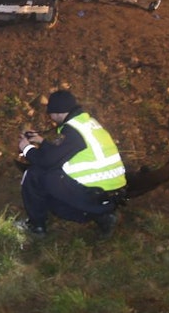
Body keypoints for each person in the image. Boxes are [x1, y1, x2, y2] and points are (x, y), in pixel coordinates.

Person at [16, 90, 126, 237]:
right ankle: (102, 215)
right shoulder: (86, 123)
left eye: (51, 113)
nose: (50, 117)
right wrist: (41, 142)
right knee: (54, 192)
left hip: (94, 192)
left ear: (58, 112)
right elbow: (62, 152)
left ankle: (36, 227)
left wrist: (26, 148)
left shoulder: (73, 131)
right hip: (112, 192)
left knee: (34, 174)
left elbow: (47, 162)